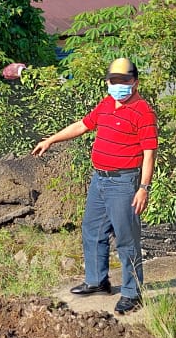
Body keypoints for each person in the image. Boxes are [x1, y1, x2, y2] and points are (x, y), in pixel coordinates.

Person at [32, 58, 157, 314]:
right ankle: (96, 280)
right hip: (99, 179)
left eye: (124, 81)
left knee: (126, 238)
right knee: (93, 230)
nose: (118, 86)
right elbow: (83, 125)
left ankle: (132, 293)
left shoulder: (142, 110)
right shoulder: (107, 103)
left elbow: (149, 153)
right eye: (114, 81)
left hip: (124, 182)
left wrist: (144, 187)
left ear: (135, 82)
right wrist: (51, 140)